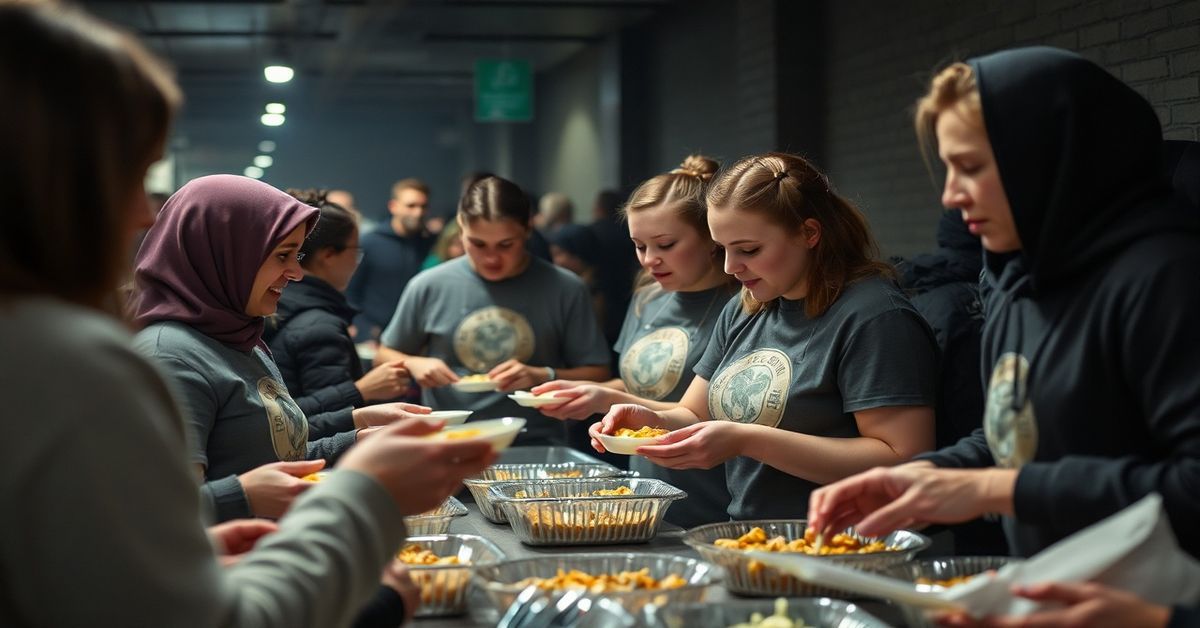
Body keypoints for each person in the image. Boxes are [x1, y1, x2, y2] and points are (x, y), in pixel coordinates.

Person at [0, 2, 494, 626]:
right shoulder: (86, 360)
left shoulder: (228, 337)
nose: (144, 216)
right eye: (131, 175)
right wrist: (361, 497)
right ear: (54, 181)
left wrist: (355, 433)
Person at [807, 47, 1200, 560]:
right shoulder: (1014, 280)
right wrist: (924, 476)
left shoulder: (1167, 276)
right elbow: (1017, 439)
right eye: (948, 168)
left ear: (1052, 158)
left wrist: (995, 491)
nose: (950, 195)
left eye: (970, 167)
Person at [590, 152, 938, 520]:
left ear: (809, 233)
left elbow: (903, 458)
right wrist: (649, 421)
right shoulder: (746, 307)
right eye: (722, 249)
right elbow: (693, 412)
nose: (729, 267)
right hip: (752, 538)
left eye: (749, 250)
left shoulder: (874, 316)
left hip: (840, 547)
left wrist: (747, 439)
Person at [133, 175, 432, 523]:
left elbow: (276, 456)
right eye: (283, 255)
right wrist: (242, 496)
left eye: (298, 254)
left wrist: (359, 438)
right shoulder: (170, 356)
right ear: (226, 253)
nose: (296, 273)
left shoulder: (241, 337)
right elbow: (154, 512)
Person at [533, 155, 738, 526]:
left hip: (712, 500)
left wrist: (607, 397)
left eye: (665, 244)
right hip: (647, 490)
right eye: (639, 246)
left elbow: (708, 412)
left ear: (712, 238)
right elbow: (639, 383)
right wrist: (581, 392)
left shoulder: (740, 305)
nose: (650, 260)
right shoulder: (649, 297)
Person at [376, 175, 611, 445]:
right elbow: (384, 354)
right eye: (477, 244)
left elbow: (598, 373)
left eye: (505, 245)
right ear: (460, 228)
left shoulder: (565, 287)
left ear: (527, 229)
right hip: (446, 441)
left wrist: (543, 374)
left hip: (535, 442)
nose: (491, 258)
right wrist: (414, 363)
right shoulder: (429, 284)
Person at [265, 189, 411, 424]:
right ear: (329, 255)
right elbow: (303, 421)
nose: (356, 261)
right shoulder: (319, 325)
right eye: (355, 251)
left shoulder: (279, 302)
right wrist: (361, 390)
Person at [345, 177, 434, 342]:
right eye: (411, 206)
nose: (418, 212)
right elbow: (351, 291)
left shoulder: (428, 244)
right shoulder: (369, 242)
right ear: (394, 206)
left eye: (423, 206)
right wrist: (365, 330)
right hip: (374, 337)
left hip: (415, 335)